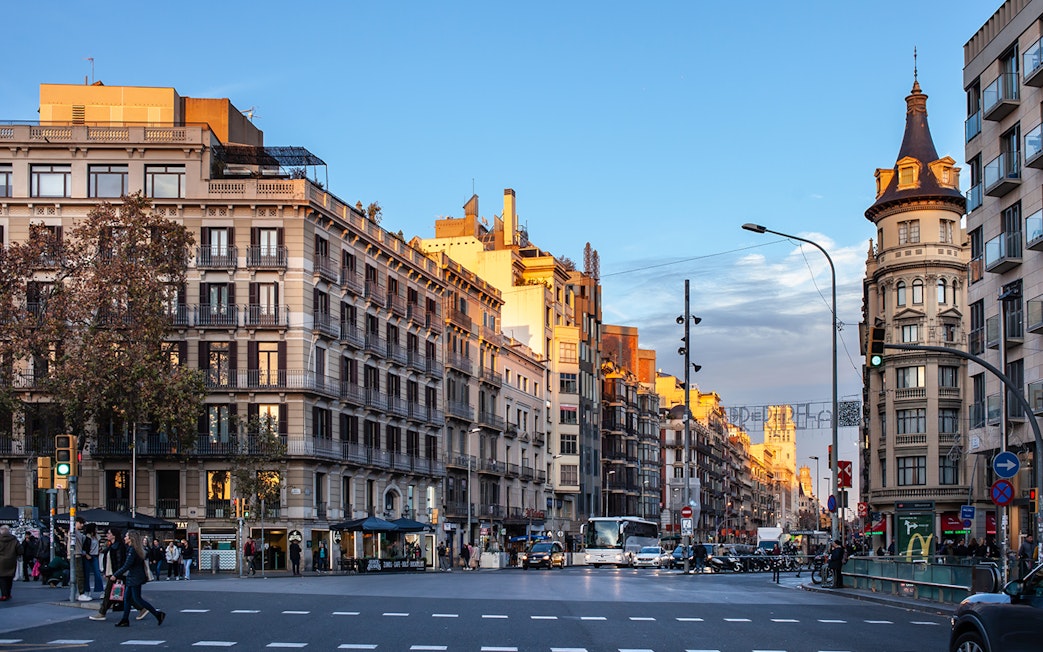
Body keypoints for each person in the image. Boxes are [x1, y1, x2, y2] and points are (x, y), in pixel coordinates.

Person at [110, 530, 165, 627]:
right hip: (134, 576)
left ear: (131, 538)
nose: (124, 538)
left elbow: (127, 565)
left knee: (137, 598)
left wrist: (116, 574)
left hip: (135, 577)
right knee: (127, 598)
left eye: (126, 536)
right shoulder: (135, 549)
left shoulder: (132, 550)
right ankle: (125, 619)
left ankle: (157, 614)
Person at [90, 528, 127, 621]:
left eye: (109, 533)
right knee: (127, 594)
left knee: (108, 593)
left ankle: (102, 613)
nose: (107, 535)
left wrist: (117, 575)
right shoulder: (112, 545)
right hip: (112, 573)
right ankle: (142, 607)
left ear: (114, 535)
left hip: (114, 574)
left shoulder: (118, 546)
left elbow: (119, 561)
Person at [0, 524, 24, 601]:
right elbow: (20, 550)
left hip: (1, 561)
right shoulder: (14, 540)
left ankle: (4, 594)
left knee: (2, 578)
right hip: (11, 561)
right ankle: (8, 593)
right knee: (9, 577)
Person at [73, 516, 91, 601]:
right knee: (79, 575)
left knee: (79, 575)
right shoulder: (73, 532)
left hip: (78, 554)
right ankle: (80, 593)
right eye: (81, 523)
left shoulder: (78, 532)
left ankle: (78, 593)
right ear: (76, 522)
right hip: (76, 555)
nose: (82, 525)